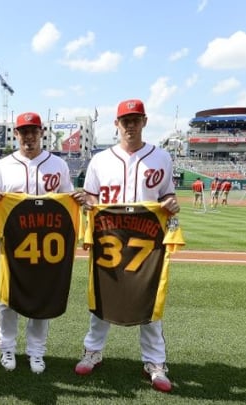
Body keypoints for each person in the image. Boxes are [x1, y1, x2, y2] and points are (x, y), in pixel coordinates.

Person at [73, 99, 180, 393]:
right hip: (109, 240)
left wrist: (171, 203)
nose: (130, 125)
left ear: (144, 121)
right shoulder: (100, 160)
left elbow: (168, 199)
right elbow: (92, 201)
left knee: (149, 300)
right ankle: (92, 351)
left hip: (147, 241)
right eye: (125, 120)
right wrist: (87, 203)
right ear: (116, 124)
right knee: (102, 297)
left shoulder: (161, 158)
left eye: (135, 120)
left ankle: (155, 362)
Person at [0, 112, 85, 374]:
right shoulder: (2, 166)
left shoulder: (58, 165)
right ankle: (6, 347)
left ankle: (36, 351)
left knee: (43, 295)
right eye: (23, 131)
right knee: (7, 298)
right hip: (14, 242)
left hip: (47, 245)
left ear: (41, 132)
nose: (28, 136)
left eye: (33, 130)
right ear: (16, 134)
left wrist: (76, 198)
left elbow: (66, 204)